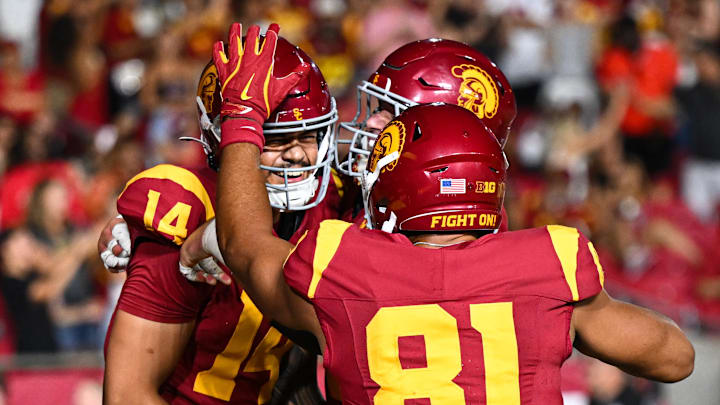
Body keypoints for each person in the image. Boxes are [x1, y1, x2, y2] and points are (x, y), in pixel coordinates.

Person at [182, 25, 694, 404]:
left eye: (389, 121)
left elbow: (246, 244)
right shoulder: (549, 260)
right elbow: (676, 356)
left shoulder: (342, 261)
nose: (369, 128)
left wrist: (242, 118)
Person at [103, 25, 338, 404]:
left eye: (308, 135)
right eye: (275, 139)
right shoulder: (185, 207)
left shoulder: (331, 203)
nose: (296, 155)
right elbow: (128, 394)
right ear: (221, 137)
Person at [334, 38, 516, 227]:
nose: (371, 121)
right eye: (379, 108)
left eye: (395, 116)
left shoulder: (450, 236)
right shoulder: (351, 193)